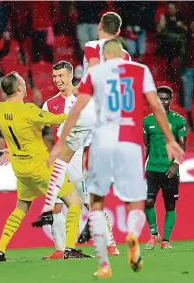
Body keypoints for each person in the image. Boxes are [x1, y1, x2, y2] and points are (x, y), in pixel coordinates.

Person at [50, 39, 184, 278]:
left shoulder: (95, 78)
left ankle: (104, 262)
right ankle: (132, 234)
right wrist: (171, 139)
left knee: (96, 202)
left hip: (100, 144)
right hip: (130, 143)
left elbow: (78, 112)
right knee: (134, 203)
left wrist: (61, 143)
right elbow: (155, 106)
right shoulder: (137, 73)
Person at [0, 72, 91, 261]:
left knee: (21, 208)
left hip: (21, 170)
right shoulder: (29, 110)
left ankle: (0, 251)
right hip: (41, 168)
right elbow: (57, 119)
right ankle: (70, 249)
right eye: (23, 83)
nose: (25, 85)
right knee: (74, 202)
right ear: (18, 88)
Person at [32, 12, 129, 248]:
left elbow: (94, 74)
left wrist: (81, 90)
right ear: (117, 31)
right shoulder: (125, 55)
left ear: (99, 28)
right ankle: (109, 244)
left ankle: (48, 209)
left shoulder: (92, 46)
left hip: (90, 108)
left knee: (61, 155)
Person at [42, 61, 118, 259]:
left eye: (61, 76)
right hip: (60, 159)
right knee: (56, 205)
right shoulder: (49, 104)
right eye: (54, 77)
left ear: (70, 77)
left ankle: (110, 244)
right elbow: (37, 130)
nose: (57, 80)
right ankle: (60, 249)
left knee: (88, 202)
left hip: (78, 158)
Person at [144, 86, 187, 249]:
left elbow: (183, 145)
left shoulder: (178, 120)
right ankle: (154, 235)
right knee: (148, 201)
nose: (163, 101)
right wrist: (142, 165)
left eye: (166, 99)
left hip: (170, 170)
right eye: (159, 98)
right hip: (153, 168)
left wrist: (176, 164)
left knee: (170, 205)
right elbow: (146, 145)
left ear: (171, 100)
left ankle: (166, 240)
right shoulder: (147, 121)